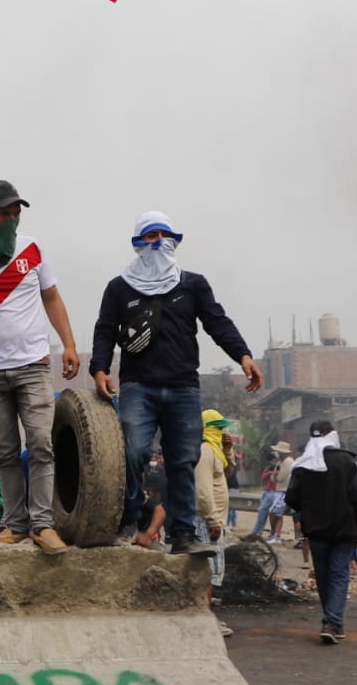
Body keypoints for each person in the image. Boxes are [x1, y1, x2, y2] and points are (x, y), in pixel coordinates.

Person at [90, 211, 262, 556]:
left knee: (183, 460)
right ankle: (129, 519)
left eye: (164, 236)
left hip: (183, 387)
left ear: (174, 242)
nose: (158, 243)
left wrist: (243, 355)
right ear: (139, 244)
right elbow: (105, 329)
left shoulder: (192, 284)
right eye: (150, 236)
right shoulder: (120, 287)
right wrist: (100, 369)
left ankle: (183, 534)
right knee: (134, 452)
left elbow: (217, 322)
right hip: (139, 386)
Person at [0, 180, 80, 554]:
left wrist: (68, 344)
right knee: (5, 451)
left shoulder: (32, 248)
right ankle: (15, 524)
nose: (12, 218)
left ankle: (43, 524)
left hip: (34, 365)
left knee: (41, 443)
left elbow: (52, 297)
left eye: (16, 212)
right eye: (4, 213)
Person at [282, 421, 357, 645]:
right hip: (343, 529)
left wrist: (309, 508)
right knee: (340, 575)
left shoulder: (303, 464)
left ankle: (333, 622)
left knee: (323, 576)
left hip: (316, 531)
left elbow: (291, 498)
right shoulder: (347, 461)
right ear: (333, 435)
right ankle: (332, 622)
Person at [194, 411, 231, 617]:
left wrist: (228, 450)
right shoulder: (205, 450)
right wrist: (213, 520)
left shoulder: (215, 451)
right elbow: (202, 490)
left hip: (212, 519)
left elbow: (226, 474)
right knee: (208, 573)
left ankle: (206, 617)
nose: (222, 432)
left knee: (213, 573)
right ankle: (205, 620)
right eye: (218, 428)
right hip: (207, 519)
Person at [247, 441, 289, 542]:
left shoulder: (285, 463)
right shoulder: (275, 465)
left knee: (266, 511)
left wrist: (274, 474)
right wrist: (272, 473)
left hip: (275, 492)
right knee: (265, 512)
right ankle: (262, 533)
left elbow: (279, 477)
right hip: (269, 490)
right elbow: (265, 477)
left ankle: (257, 533)